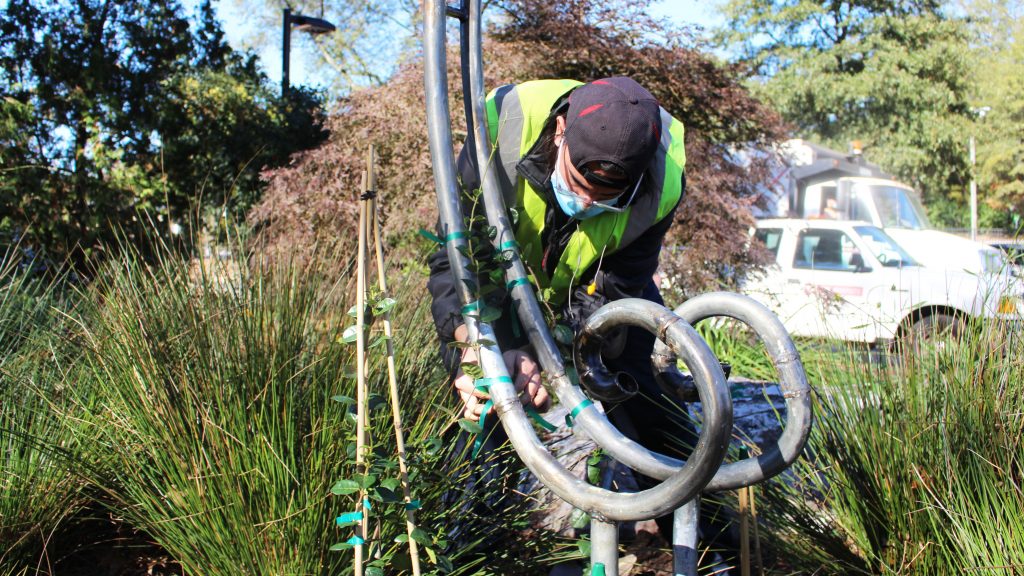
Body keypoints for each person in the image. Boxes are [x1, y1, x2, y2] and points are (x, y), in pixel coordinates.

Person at [427, 77, 731, 564]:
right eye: (580, 184)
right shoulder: (502, 126)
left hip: (599, 289)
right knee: (483, 398)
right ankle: (470, 546)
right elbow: (456, 262)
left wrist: (572, 358)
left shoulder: (663, 177)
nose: (588, 204)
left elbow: (621, 283)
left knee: (648, 403)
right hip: (497, 281)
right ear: (561, 130)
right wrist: (478, 345)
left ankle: (711, 549)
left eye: (607, 198)